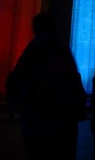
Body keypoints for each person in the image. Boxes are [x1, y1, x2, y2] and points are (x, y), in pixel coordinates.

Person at [5, 13, 86, 160]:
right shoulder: (63, 51)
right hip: (63, 123)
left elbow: (16, 79)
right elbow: (74, 81)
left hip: (38, 122)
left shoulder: (33, 50)